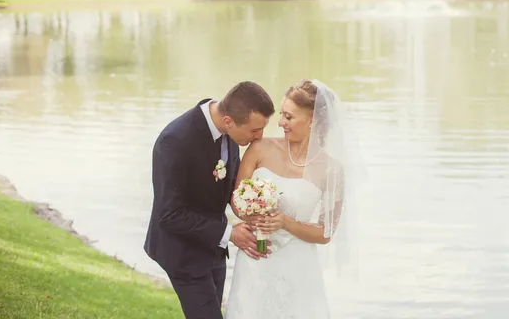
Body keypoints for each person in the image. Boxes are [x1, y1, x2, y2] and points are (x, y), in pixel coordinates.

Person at [225, 79, 358, 318]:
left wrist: (285, 222)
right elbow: (236, 200)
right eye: (282, 115)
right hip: (255, 258)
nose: (280, 123)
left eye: (289, 117)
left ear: (312, 121)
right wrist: (252, 213)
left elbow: (325, 233)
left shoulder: (332, 170)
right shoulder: (259, 149)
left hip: (297, 266)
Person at [143, 81, 275, 319]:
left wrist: (252, 209)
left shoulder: (230, 130)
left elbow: (226, 188)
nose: (259, 137)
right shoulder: (175, 140)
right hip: (182, 252)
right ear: (228, 122)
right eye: (255, 130)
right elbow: (169, 214)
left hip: (214, 249)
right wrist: (230, 234)